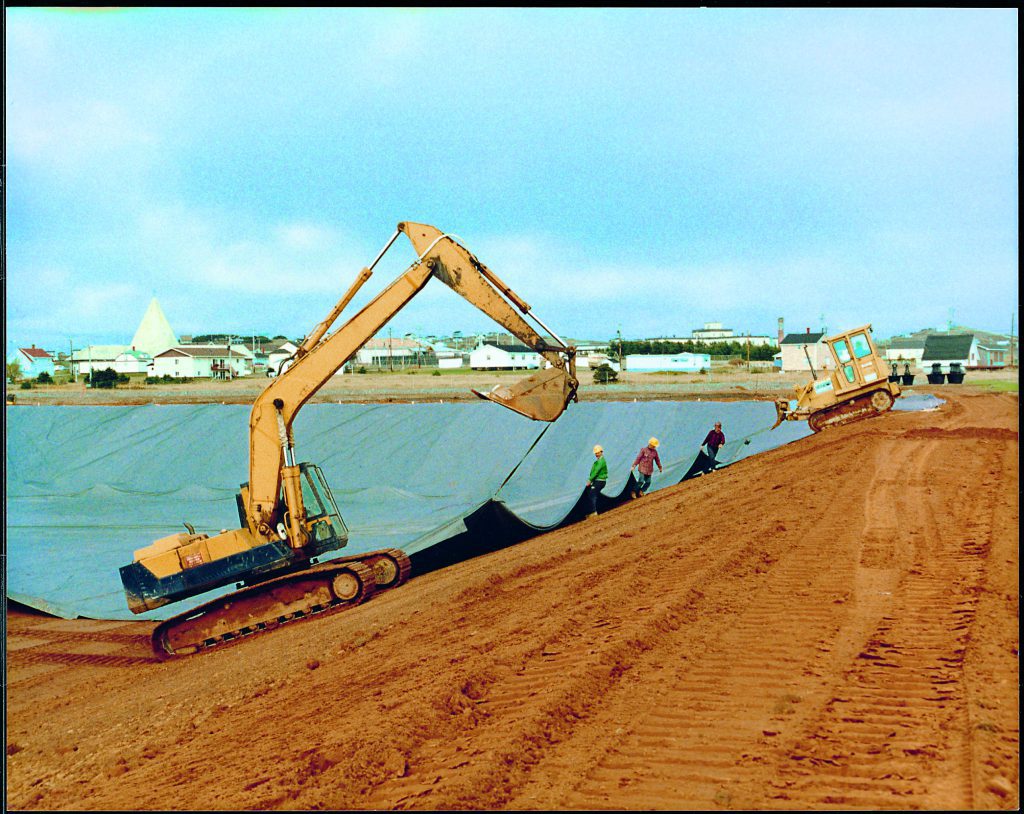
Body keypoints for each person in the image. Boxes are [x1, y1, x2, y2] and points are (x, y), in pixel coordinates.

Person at [586, 444, 608, 518]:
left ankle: (593, 512)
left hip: (600, 481)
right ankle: (592, 511)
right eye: (596, 453)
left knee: (592, 494)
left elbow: (596, 471)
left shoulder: (601, 461)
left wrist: (590, 480)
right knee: (591, 493)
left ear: (601, 452)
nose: (597, 454)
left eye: (598, 453)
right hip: (597, 481)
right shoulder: (598, 461)